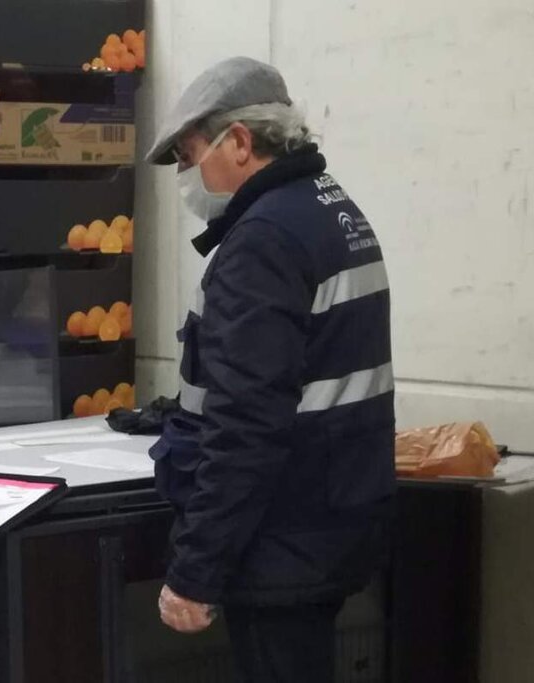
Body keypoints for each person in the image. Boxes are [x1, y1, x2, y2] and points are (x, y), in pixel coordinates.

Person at [146, 57, 395, 682]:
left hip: (281, 534)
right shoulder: (330, 208)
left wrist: (196, 573)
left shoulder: (262, 241)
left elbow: (247, 423)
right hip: (334, 520)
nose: (184, 174)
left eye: (188, 154)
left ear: (239, 141)